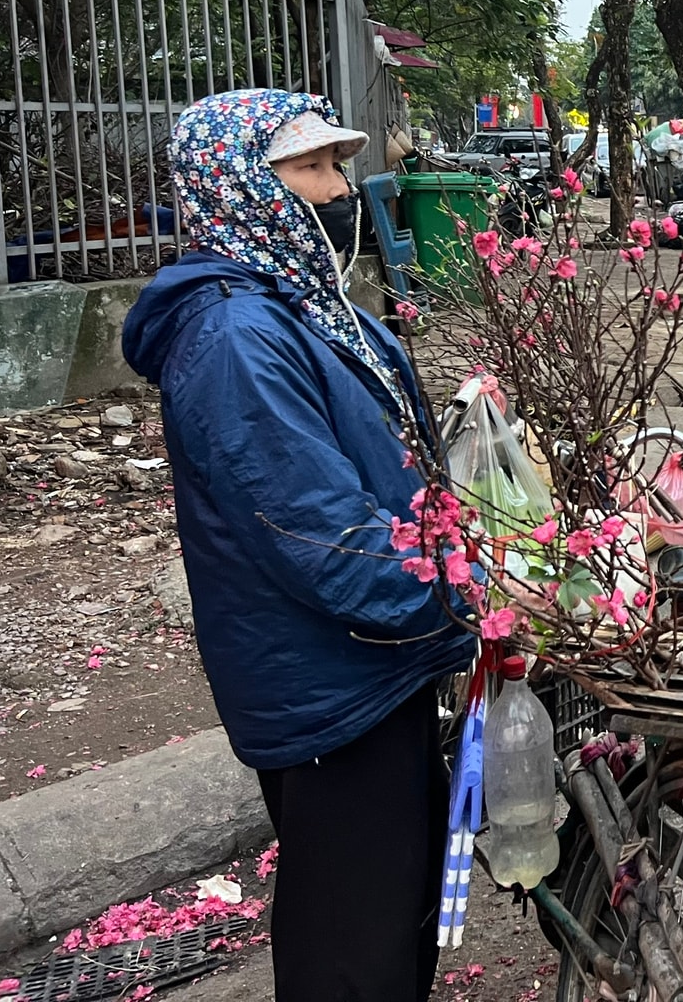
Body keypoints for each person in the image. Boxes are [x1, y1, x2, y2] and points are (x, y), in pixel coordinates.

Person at [122, 90, 472, 1002]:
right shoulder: (234, 336)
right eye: (309, 168)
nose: (337, 189)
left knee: (391, 913)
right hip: (328, 680)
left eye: (335, 166)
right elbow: (322, 535)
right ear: (241, 188)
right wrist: (466, 592)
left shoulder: (302, 305)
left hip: (373, 661)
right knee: (354, 945)